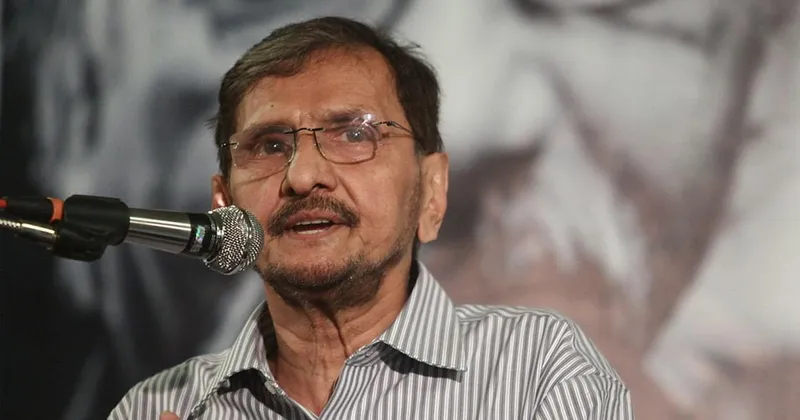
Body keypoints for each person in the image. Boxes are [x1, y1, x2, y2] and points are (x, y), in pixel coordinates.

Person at [108, 16, 633, 420]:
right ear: (224, 205)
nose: (303, 175)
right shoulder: (155, 407)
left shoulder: (539, 371)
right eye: (269, 145)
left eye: (354, 135)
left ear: (431, 192)